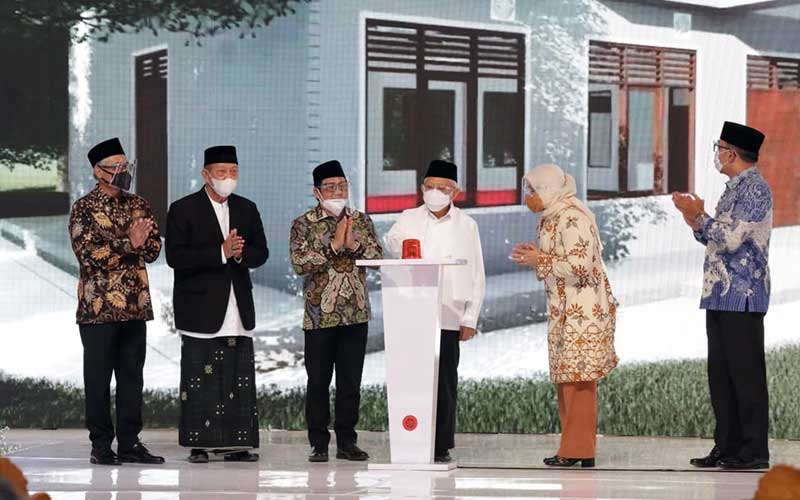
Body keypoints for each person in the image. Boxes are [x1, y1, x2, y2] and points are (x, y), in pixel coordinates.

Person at [673, 121, 772, 471]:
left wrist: (700, 216)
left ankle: (752, 451)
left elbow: (730, 239)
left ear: (731, 152)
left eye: (719, 147)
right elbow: (716, 238)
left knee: (745, 376)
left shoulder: (755, 189)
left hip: (743, 293)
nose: (716, 154)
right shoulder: (733, 189)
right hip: (718, 292)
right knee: (722, 375)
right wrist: (696, 221)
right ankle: (727, 446)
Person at [165, 145, 269, 464]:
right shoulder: (183, 208)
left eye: (233, 172)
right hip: (200, 308)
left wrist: (239, 254)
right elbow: (175, 258)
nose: (228, 178)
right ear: (206, 174)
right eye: (221, 172)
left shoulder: (247, 208)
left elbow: (261, 252)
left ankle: (237, 444)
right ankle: (200, 443)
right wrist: (220, 251)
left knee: (238, 375)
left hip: (238, 306)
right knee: (201, 376)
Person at [511, 163, 618, 468]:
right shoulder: (552, 217)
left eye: (532, 190)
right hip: (565, 310)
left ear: (547, 190)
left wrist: (539, 259)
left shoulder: (572, 217)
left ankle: (578, 450)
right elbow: (561, 259)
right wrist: (538, 255)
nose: (528, 196)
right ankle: (576, 449)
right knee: (568, 380)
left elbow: (580, 266)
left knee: (579, 382)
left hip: (583, 312)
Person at [68, 137, 164, 466]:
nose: (124, 172)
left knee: (131, 378)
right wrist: (129, 242)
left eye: (127, 166)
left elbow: (152, 251)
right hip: (99, 311)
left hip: (135, 307)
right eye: (117, 167)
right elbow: (89, 256)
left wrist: (140, 243)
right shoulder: (84, 208)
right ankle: (100, 444)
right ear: (98, 172)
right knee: (97, 379)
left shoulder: (139, 204)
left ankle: (129, 443)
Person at [384, 159, 486, 464]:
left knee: (443, 381)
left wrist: (470, 317)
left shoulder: (467, 225)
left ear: (455, 192)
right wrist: (403, 243)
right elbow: (391, 246)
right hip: (411, 312)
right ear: (422, 188)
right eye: (431, 187)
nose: (436, 193)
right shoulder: (407, 218)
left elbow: (477, 273)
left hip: (449, 312)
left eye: (443, 188)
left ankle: (440, 444)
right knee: (411, 377)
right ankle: (411, 438)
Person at [290, 160, 383, 463]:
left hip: (355, 314)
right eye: (330, 187)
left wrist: (354, 245)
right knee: (318, 382)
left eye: (342, 185)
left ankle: (347, 441)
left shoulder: (361, 220)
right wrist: (333, 245)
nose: (338, 191)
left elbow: (377, 257)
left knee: (349, 383)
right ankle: (318, 442)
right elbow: (299, 263)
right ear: (317, 192)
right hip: (320, 316)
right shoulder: (303, 223)